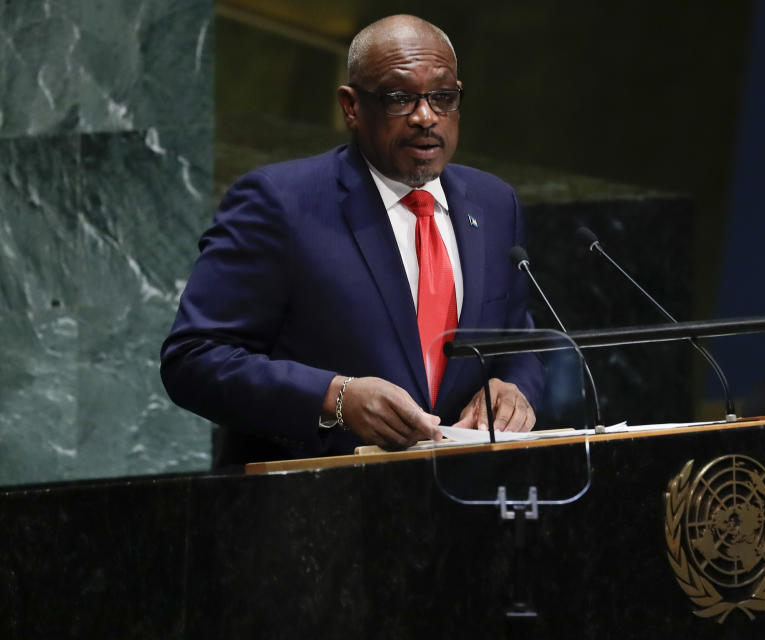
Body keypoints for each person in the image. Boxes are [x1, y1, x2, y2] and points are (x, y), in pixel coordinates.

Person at [160, 15, 543, 466]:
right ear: (351, 107)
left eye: (442, 97)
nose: (425, 117)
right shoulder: (280, 203)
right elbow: (193, 359)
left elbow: (522, 341)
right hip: (314, 503)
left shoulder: (494, 203)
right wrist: (334, 398)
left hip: (463, 500)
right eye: (400, 98)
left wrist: (514, 388)